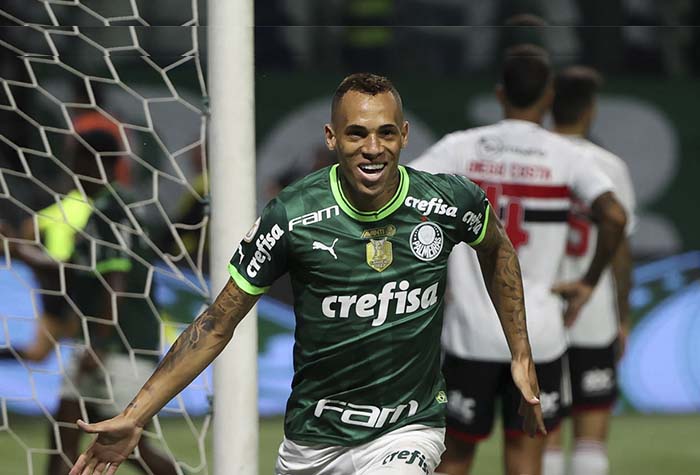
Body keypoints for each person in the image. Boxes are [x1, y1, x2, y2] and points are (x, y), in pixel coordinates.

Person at [69, 73, 546, 475]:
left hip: (408, 430)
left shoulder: (448, 201)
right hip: (313, 441)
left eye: (384, 133)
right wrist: (135, 415)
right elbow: (217, 324)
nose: (373, 149)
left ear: (403, 135)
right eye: (357, 133)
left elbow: (498, 250)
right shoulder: (291, 217)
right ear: (331, 138)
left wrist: (520, 352)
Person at [410, 45, 628, 475]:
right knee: (526, 458)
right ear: (548, 97)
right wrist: (588, 282)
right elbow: (615, 216)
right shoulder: (566, 156)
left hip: (470, 332)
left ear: (499, 94)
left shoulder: (461, 148)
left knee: (453, 458)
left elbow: (402, 194)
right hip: (538, 337)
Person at [1, 131, 177, 475]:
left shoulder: (113, 210)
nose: (71, 172)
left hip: (119, 348)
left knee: (132, 449)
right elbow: (74, 273)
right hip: (103, 344)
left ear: (93, 163)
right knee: (65, 429)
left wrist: (99, 342)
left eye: (76, 163)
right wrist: (19, 250)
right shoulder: (104, 211)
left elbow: (116, 281)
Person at [542, 66, 636, 475]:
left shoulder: (534, 159)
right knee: (590, 436)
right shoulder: (608, 166)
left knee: (542, 434)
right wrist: (623, 315)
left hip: (540, 310)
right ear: (591, 110)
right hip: (593, 311)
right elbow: (619, 249)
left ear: (548, 104)